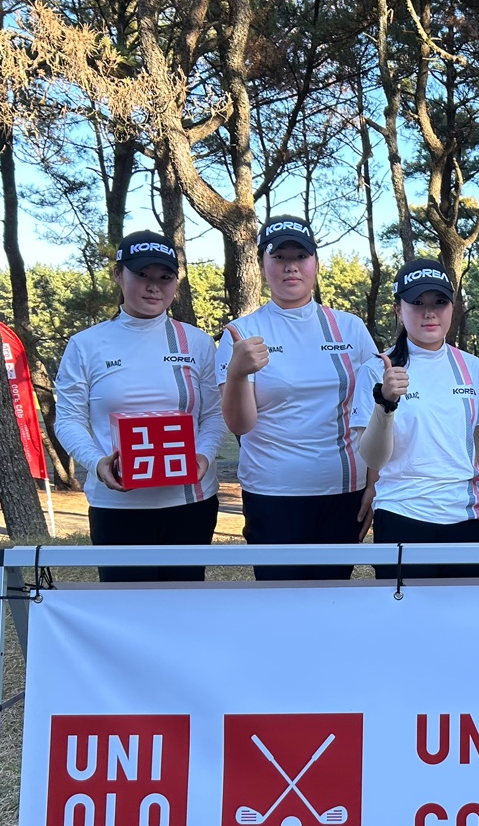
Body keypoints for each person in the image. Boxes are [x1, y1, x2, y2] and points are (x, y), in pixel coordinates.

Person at [55, 231, 224, 582]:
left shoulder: (197, 342)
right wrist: (97, 463)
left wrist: (204, 457)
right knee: (125, 604)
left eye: (165, 277)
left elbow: (213, 415)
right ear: (118, 275)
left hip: (190, 503)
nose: (153, 287)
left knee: (185, 602)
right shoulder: (86, 344)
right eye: (142, 275)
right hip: (117, 505)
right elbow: (68, 419)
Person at [216, 216, 379, 581]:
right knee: (281, 599)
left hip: (344, 492)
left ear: (316, 263)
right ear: (262, 265)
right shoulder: (242, 333)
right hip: (273, 493)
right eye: (279, 257)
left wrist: (374, 483)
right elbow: (239, 425)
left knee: (333, 597)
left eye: (301, 256)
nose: (291, 266)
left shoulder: (349, 327)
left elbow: (373, 414)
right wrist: (237, 373)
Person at [352, 260, 479, 580]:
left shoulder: (474, 368)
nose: (429, 313)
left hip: (469, 519)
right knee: (406, 613)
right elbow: (373, 458)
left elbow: (472, 450)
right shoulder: (377, 370)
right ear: (398, 310)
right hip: (403, 515)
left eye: (439, 302)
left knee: (466, 612)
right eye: (417, 302)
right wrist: (386, 403)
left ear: (452, 307)